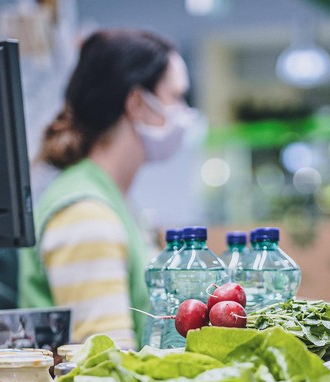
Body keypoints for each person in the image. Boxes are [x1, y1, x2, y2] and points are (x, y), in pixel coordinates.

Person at [18, 29, 197, 349]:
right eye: (176, 97)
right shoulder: (84, 214)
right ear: (138, 103)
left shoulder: (116, 200)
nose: (184, 114)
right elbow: (109, 362)